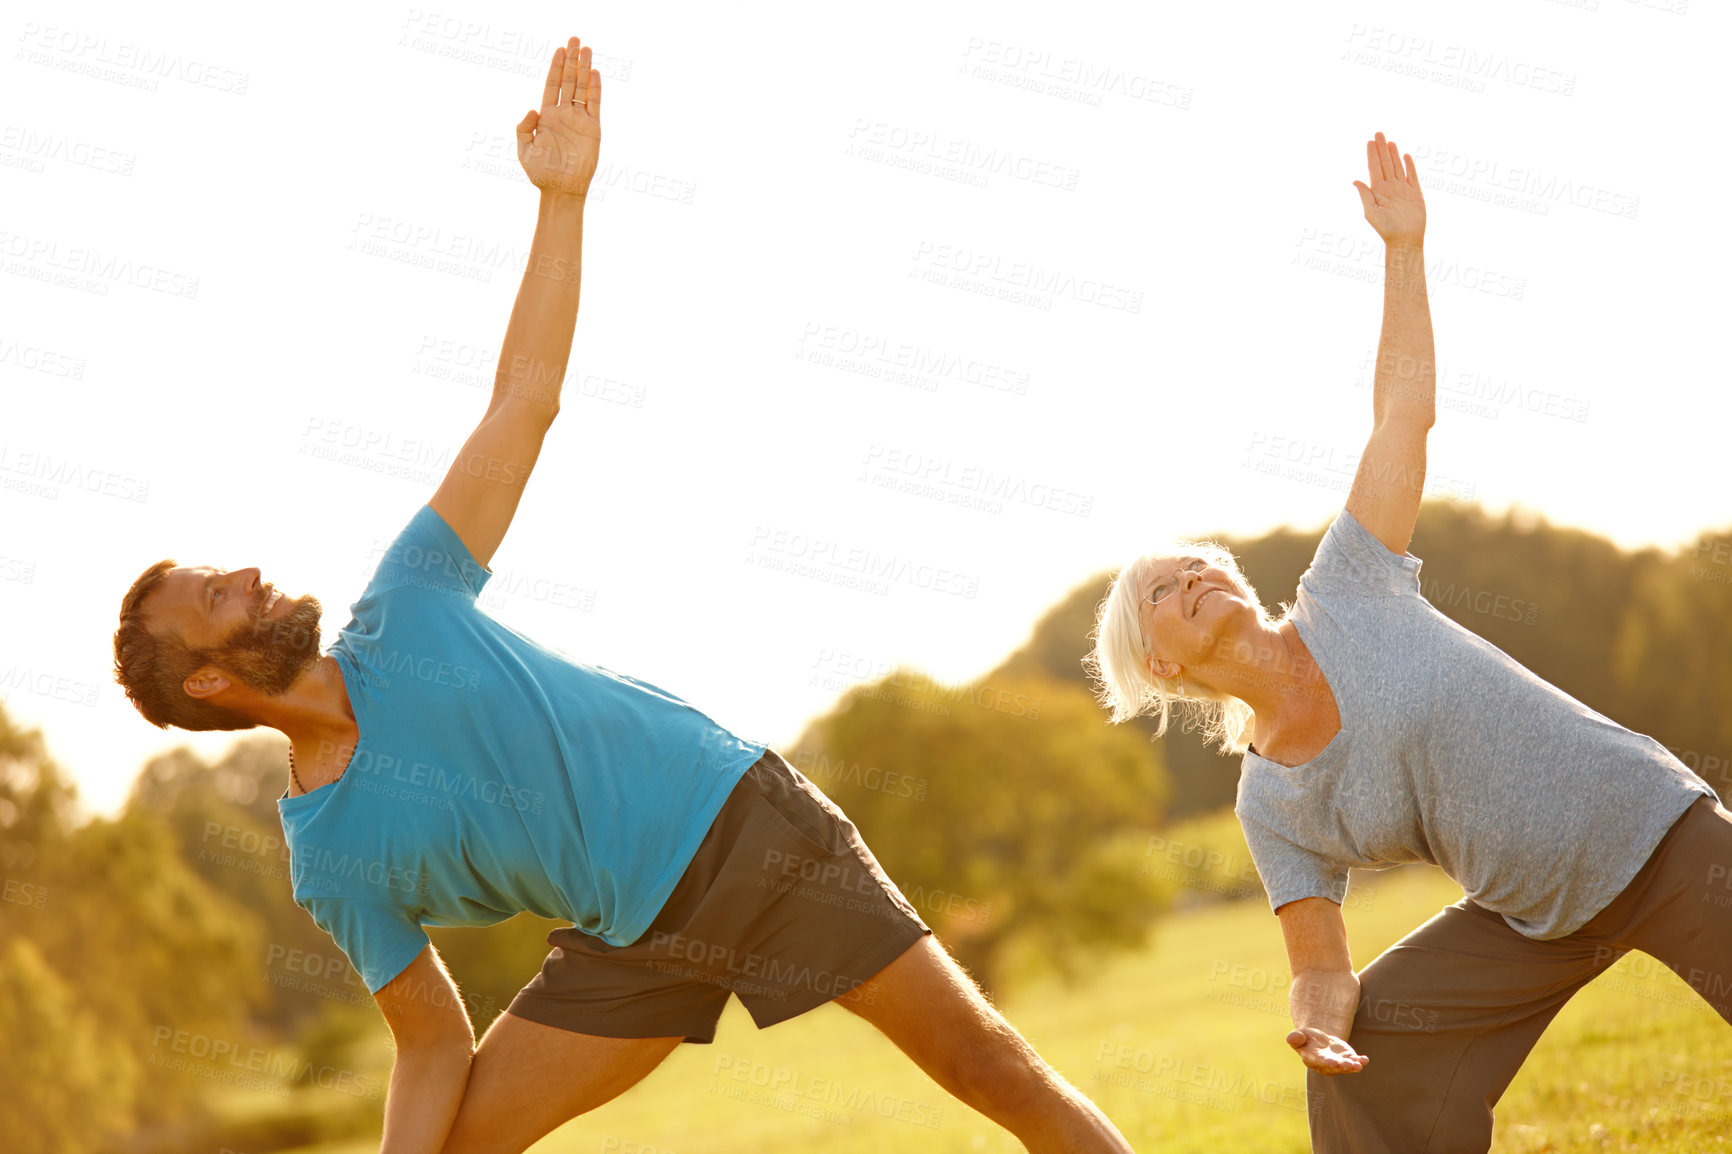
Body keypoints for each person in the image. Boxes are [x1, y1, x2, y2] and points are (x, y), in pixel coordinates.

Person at [110, 36, 1133, 1154]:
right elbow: (429, 1043)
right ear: (207, 678)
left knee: (992, 1069)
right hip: (631, 939)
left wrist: (562, 198)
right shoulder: (333, 857)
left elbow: (524, 399)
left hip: (743, 825)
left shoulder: (405, 598)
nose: (248, 573)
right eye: (216, 593)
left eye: (225, 567)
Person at [1087, 131, 1730, 1153]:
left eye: (1202, 563)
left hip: (1649, 831)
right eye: (1166, 587)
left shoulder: (1347, 588)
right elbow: (1322, 960)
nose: (1197, 576)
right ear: (1159, 662)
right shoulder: (1273, 800)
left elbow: (1402, 413)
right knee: (1364, 1067)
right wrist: (1316, 1022)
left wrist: (1403, 249)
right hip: (1530, 918)